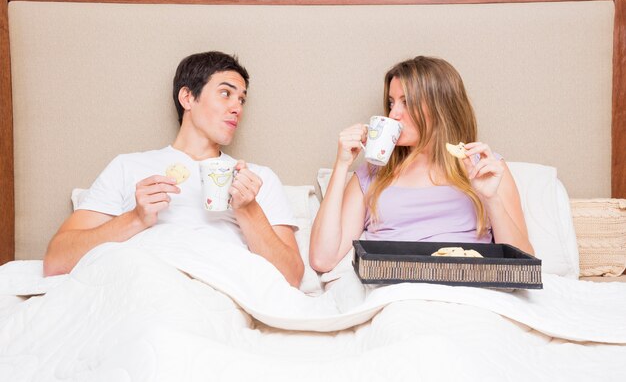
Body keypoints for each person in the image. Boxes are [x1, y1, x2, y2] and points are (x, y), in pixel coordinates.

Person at [44, 51, 304, 287]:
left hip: (218, 289)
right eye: (226, 93)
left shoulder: (257, 179)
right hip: (143, 283)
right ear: (188, 97)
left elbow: (291, 277)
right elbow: (56, 261)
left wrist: (249, 210)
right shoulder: (128, 166)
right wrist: (136, 218)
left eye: (242, 100)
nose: (237, 108)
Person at [309, 56, 533, 273]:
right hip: (397, 293)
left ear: (440, 107)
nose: (393, 113)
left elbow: (525, 265)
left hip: (468, 292)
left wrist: (491, 199)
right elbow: (322, 259)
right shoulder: (372, 175)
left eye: (406, 102)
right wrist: (341, 164)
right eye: (391, 102)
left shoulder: (486, 168)